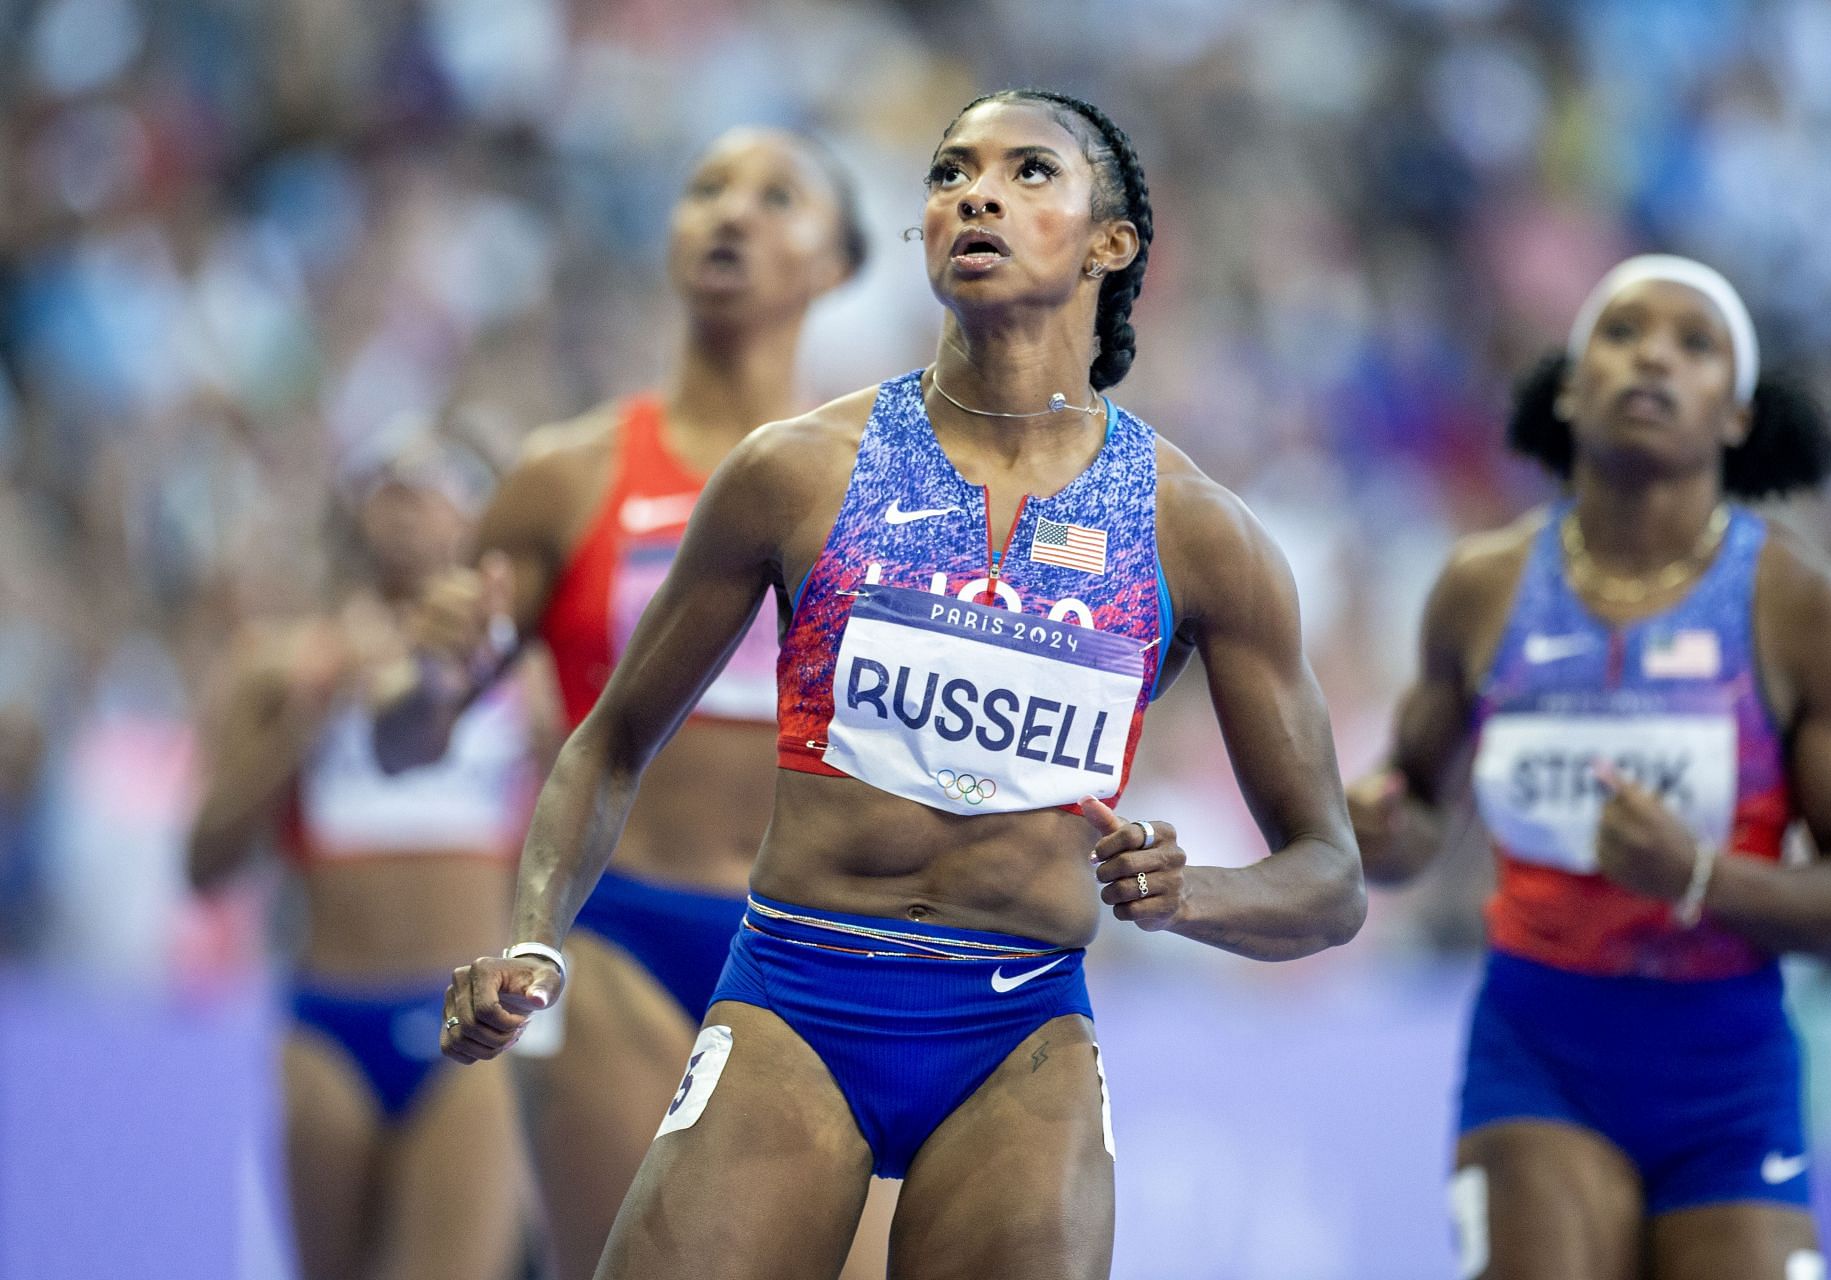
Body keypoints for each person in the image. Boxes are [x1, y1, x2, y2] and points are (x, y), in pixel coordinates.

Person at [438, 88, 1366, 1280]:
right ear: (922, 234)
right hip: (797, 990)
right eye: (950, 173)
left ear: (1109, 243)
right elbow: (609, 741)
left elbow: (1330, 876)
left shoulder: (1197, 533)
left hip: (1018, 1027)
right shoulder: (795, 474)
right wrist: (533, 941)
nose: (975, 192)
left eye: (1029, 172)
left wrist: (1194, 897)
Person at [371, 127, 881, 1279]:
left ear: (839, 263)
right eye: (705, 190)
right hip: (622, 940)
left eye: (776, 197)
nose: (730, 214)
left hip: (832, 944)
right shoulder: (569, 476)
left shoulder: (891, 489)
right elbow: (411, 737)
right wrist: (424, 673)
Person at [1348, 254, 1831, 1279]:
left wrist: (1699, 875)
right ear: (1568, 384)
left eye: (1694, 346)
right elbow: (1414, 812)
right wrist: (1380, 824)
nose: (1653, 356)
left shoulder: (1807, 608)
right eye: (1623, 332)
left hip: (1728, 1066)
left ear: (1735, 415)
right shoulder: (1482, 586)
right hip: (1540, 1047)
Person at [189, 432, 549, 1280]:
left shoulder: (524, 671)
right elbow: (203, 864)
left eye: (433, 487)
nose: (408, 509)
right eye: (389, 488)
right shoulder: (282, 663)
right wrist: (305, 716)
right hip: (330, 1019)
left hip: (470, 1018)